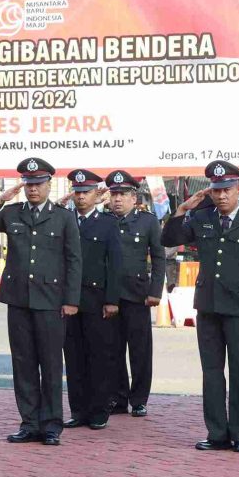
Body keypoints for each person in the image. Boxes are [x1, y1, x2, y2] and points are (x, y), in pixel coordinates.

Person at [161, 161, 239, 454]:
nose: (221, 196)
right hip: (209, 306)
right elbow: (169, 239)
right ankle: (216, 432)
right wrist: (183, 210)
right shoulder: (202, 218)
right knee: (212, 372)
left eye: (227, 190)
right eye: (216, 190)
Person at [0, 157, 81, 446]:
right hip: (18, 298)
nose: (33, 189)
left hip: (50, 300)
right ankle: (29, 423)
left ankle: (51, 426)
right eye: (29, 184)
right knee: (23, 363)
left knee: (51, 364)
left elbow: (74, 261)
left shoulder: (63, 217)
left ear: (49, 185)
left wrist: (71, 300)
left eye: (38, 184)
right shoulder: (12, 212)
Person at [62, 169, 122, 431]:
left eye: (85, 192)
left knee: (99, 356)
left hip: (97, 299)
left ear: (97, 194)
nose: (81, 197)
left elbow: (115, 264)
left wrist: (112, 300)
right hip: (68, 299)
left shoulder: (107, 223)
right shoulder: (63, 219)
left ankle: (99, 411)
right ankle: (79, 410)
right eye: (77, 192)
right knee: (73, 357)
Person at [105, 170, 165, 418]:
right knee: (112, 349)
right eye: (114, 194)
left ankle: (139, 399)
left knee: (140, 350)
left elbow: (159, 257)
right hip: (109, 296)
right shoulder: (104, 219)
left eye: (122, 194)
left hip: (138, 295)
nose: (117, 199)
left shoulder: (147, 221)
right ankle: (118, 398)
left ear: (134, 197)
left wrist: (155, 291)